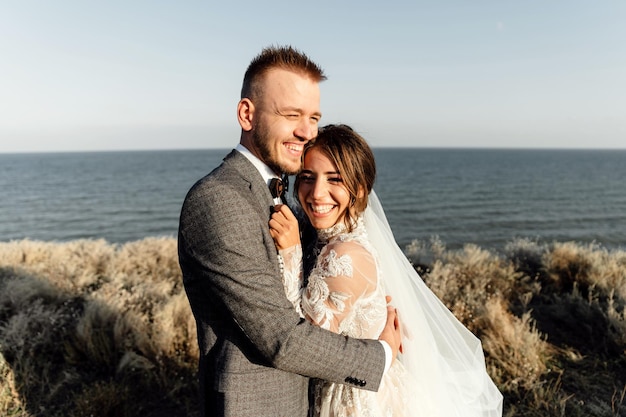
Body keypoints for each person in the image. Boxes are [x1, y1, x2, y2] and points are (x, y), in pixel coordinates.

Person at [178, 46, 402, 417]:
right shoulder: (219, 200)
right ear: (247, 114)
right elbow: (282, 338)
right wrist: (382, 353)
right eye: (291, 114)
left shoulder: (287, 194)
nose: (306, 131)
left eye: (313, 117)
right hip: (258, 406)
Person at [269, 124, 504, 416]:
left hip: (354, 403)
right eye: (307, 177)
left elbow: (302, 344)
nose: (317, 193)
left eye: (335, 179)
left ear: (359, 189)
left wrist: (290, 252)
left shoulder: (344, 255)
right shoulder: (343, 239)